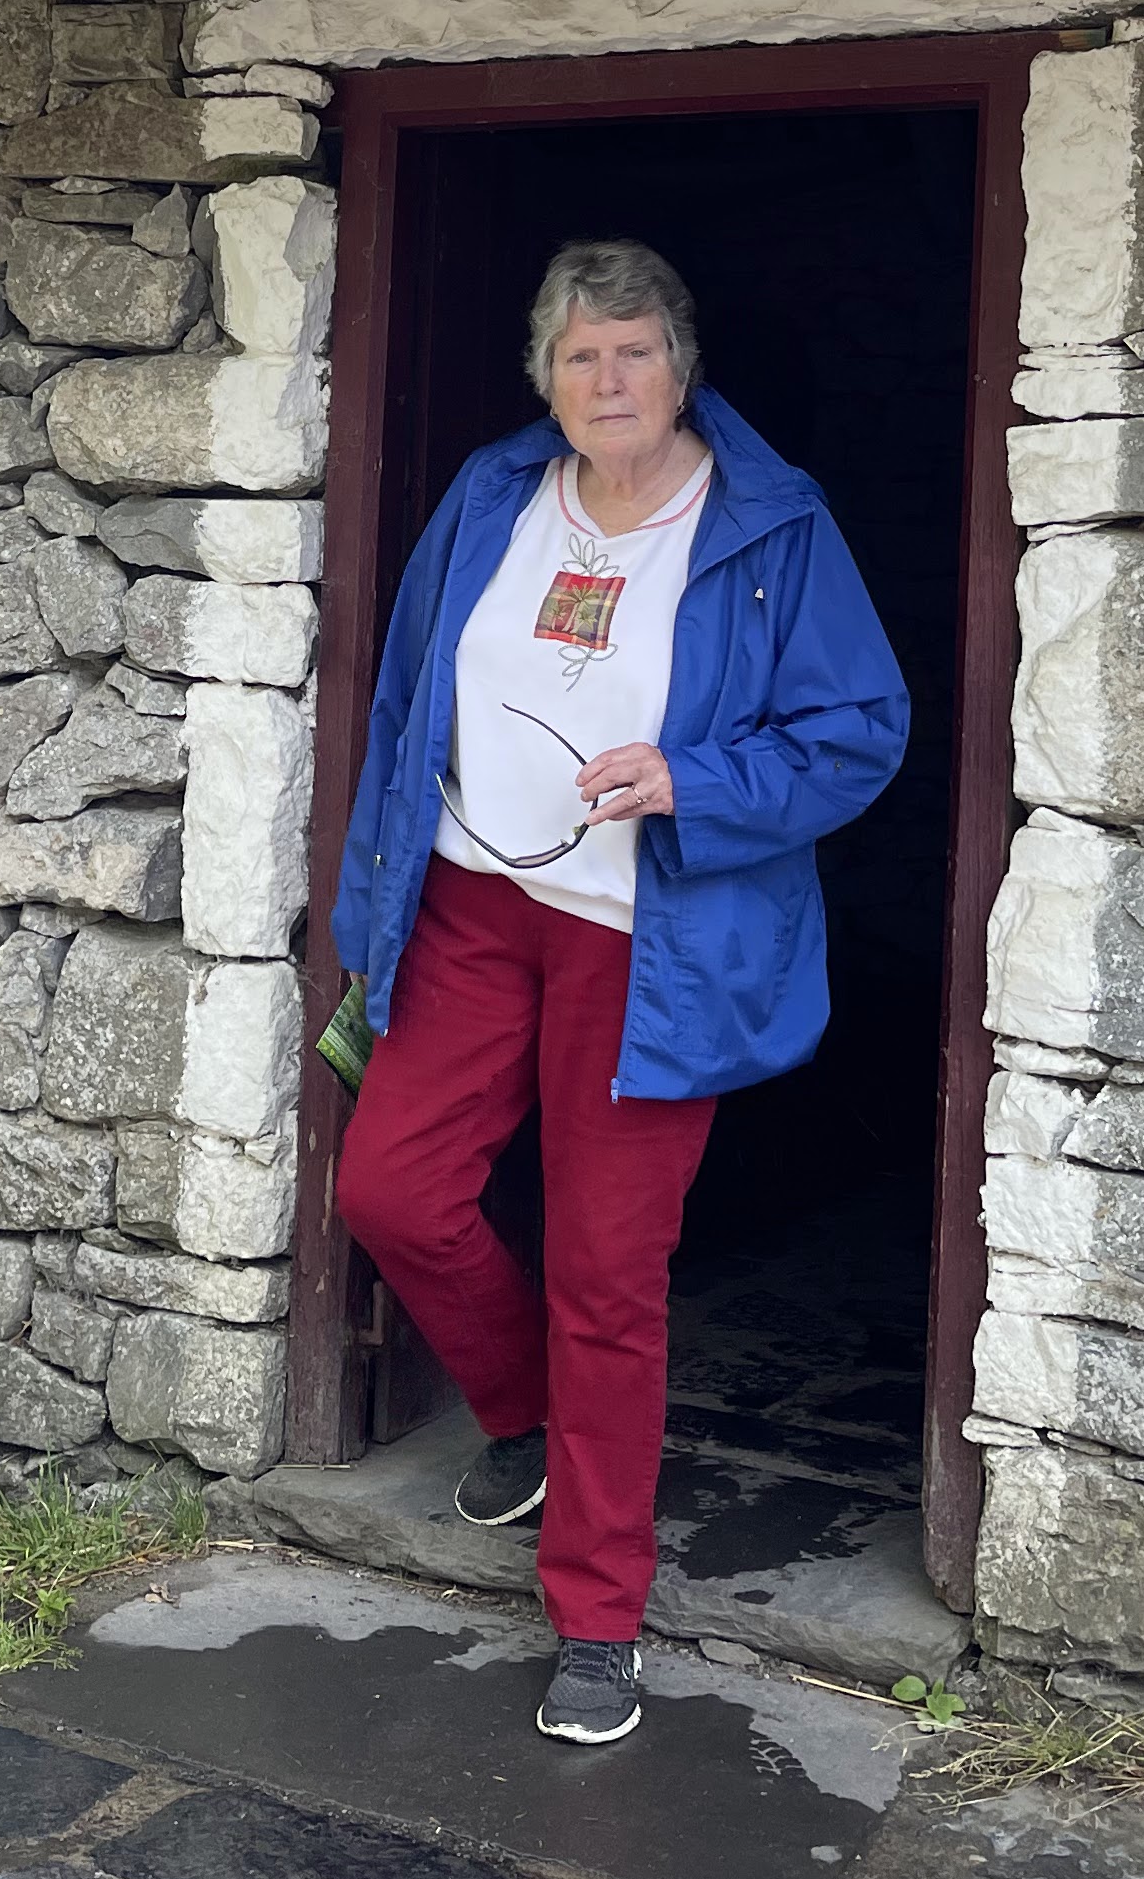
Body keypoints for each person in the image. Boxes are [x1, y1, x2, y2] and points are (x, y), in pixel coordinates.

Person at [330, 238, 909, 1746]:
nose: (609, 380)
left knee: (607, 1272)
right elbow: (407, 697)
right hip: (470, 900)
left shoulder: (771, 523)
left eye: (635, 349)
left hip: (648, 937)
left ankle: (597, 1616)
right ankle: (524, 1414)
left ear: (682, 363)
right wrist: (377, 896)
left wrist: (695, 778)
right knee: (391, 1190)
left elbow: (859, 729)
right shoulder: (494, 494)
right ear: (546, 378)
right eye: (581, 355)